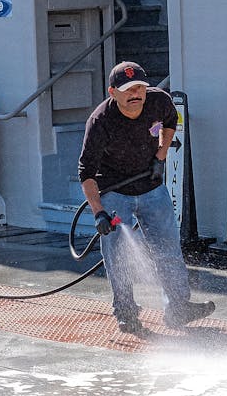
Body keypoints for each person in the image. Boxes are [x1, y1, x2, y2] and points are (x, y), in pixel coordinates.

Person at [78, 61, 215, 336]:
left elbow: (171, 122)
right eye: (128, 89)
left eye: (140, 87)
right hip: (115, 192)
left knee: (167, 248)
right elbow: (86, 173)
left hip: (152, 188)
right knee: (119, 256)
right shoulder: (100, 121)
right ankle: (127, 314)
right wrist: (99, 212)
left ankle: (178, 307)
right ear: (113, 92)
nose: (135, 94)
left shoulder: (159, 102)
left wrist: (160, 157)